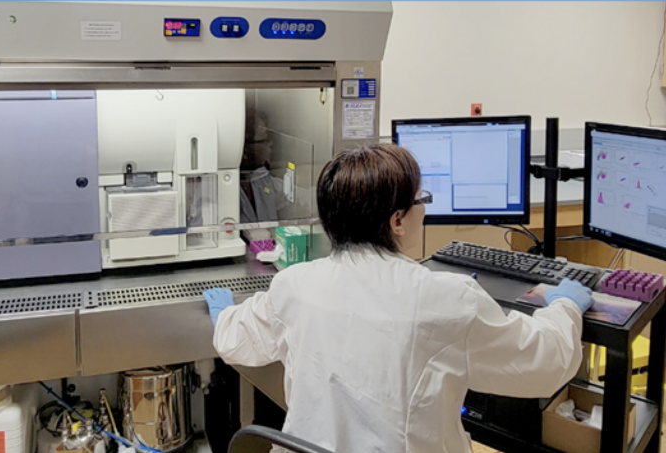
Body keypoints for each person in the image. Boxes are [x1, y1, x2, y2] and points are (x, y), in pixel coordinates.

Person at [203, 144, 594, 453]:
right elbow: (546, 364)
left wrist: (223, 312)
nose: (424, 208)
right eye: (420, 199)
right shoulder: (447, 299)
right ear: (398, 220)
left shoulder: (296, 284)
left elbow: (234, 340)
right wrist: (566, 306)